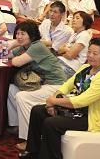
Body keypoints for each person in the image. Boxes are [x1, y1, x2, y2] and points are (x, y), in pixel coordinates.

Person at [22, 38, 100, 159]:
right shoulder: (85, 68)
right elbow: (67, 85)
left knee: (51, 123)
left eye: (95, 53)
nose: (90, 56)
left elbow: (81, 101)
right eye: (89, 51)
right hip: (76, 110)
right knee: (38, 111)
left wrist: (53, 101)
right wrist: (53, 100)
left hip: (90, 117)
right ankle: (33, 152)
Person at [7, 22, 67, 151]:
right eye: (17, 33)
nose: (19, 36)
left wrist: (15, 44)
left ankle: (30, 139)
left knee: (22, 97)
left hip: (55, 85)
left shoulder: (37, 46)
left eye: (23, 34)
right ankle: (17, 125)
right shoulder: (25, 46)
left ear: (32, 35)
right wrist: (15, 44)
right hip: (41, 83)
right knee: (12, 89)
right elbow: (7, 54)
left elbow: (16, 62)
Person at [56, 11, 93, 76]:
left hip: (70, 67)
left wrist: (65, 50)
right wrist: (67, 50)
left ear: (85, 22)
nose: (73, 20)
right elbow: (59, 50)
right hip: (62, 61)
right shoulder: (74, 35)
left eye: (77, 18)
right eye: (73, 18)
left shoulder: (84, 35)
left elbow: (70, 55)